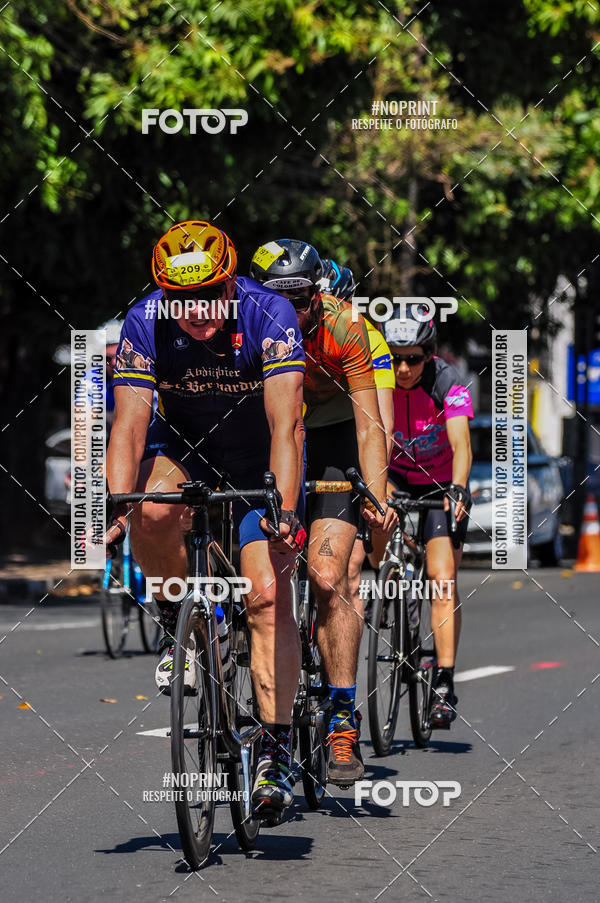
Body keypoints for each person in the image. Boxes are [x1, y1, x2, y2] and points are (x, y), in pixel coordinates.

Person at [104, 220, 307, 824]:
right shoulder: (144, 322)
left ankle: (275, 750)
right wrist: (110, 506)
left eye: (208, 295)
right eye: (180, 300)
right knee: (148, 508)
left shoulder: (268, 314)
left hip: (258, 455)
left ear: (229, 280)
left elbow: (285, 427)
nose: (195, 312)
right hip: (184, 448)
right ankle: (177, 616)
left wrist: (286, 514)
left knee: (268, 595)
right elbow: (130, 426)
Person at [250, 239, 397, 787]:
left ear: (319, 293)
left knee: (331, 574)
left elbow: (369, 426)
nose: (292, 311)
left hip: (331, 435)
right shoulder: (241, 322)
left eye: (302, 299)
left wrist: (377, 501)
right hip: (269, 430)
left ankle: (340, 713)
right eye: (277, 299)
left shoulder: (347, 327)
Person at [381, 305, 473, 728]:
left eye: (413, 359)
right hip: (397, 478)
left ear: (429, 355)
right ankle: (392, 587)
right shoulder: (379, 376)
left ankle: (444, 680)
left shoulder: (447, 381)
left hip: (440, 483)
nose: (402, 368)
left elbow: (461, 443)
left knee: (441, 578)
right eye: (395, 356)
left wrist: (456, 487)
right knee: (374, 540)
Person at [319, 260, 395, 604]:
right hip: (308, 440)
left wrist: (374, 488)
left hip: (349, 442)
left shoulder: (368, 337)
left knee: (349, 565)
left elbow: (380, 426)